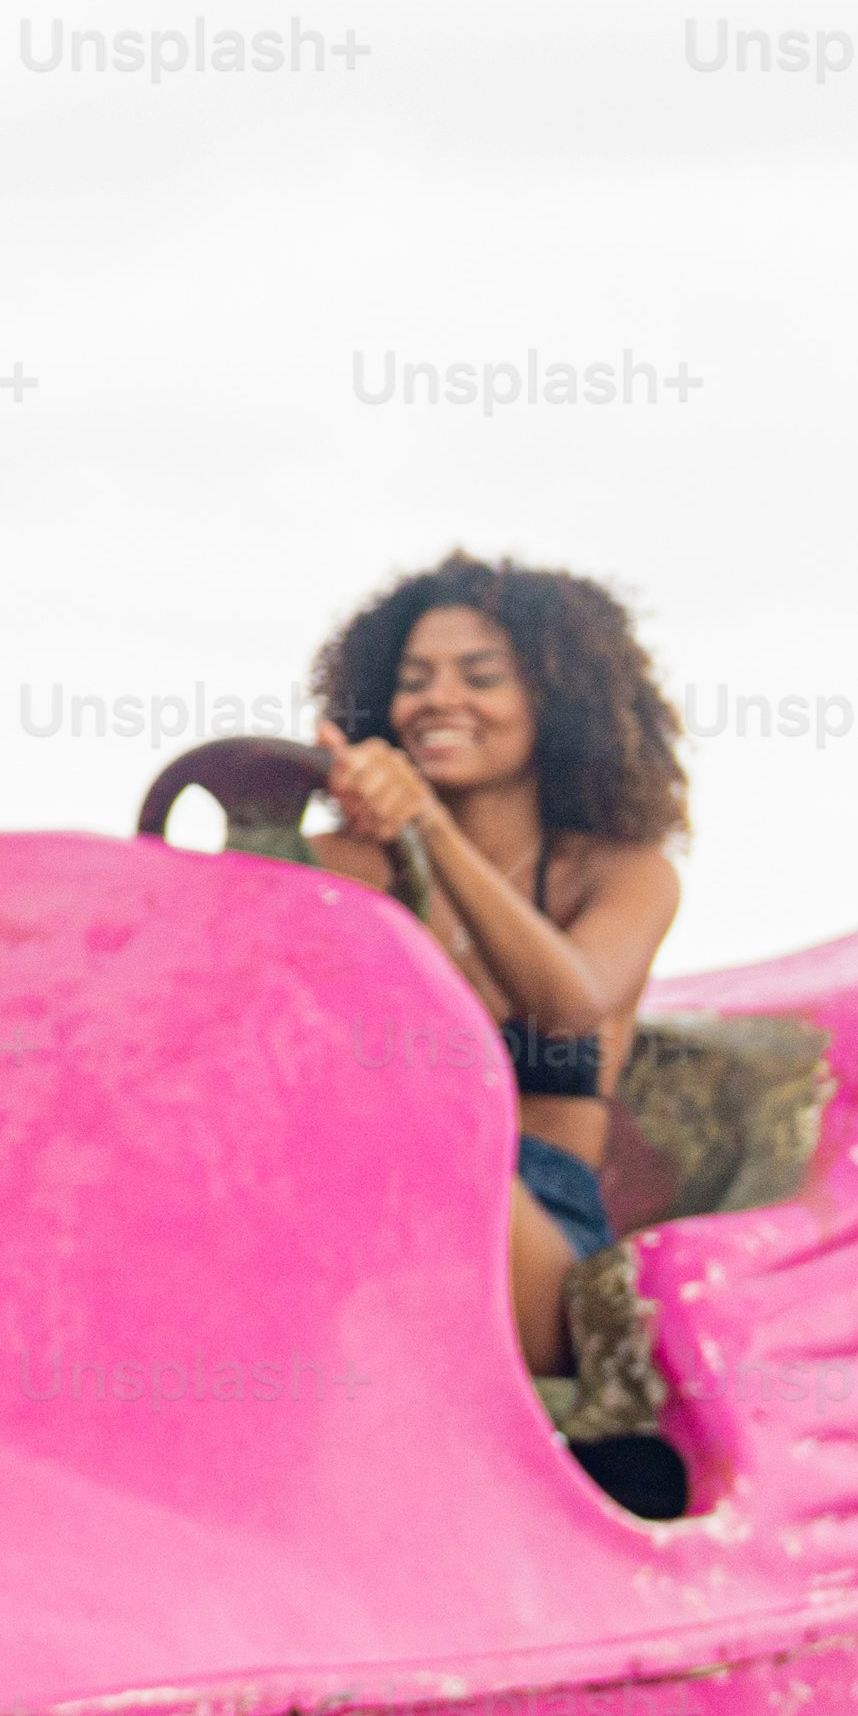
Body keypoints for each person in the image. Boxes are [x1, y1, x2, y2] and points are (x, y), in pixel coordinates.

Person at [301, 553, 690, 1376]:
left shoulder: (622, 874)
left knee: (416, 1147)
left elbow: (569, 1004)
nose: (439, 699)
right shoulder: (331, 867)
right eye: (413, 678)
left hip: (534, 1230)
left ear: (554, 705)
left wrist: (427, 830)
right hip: (348, 1199)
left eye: (480, 675)